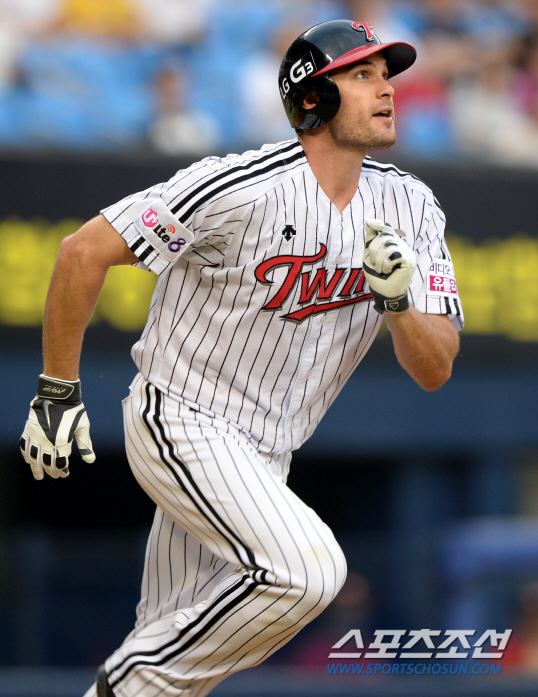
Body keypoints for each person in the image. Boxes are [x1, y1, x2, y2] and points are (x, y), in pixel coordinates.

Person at [19, 19, 462, 697]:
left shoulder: (412, 204)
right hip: (182, 416)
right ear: (312, 97)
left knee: (175, 652)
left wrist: (399, 302)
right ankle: (125, 679)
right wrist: (57, 389)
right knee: (307, 572)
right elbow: (83, 251)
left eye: (386, 75)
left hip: (267, 454)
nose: (386, 89)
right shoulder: (238, 186)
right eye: (362, 75)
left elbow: (435, 370)